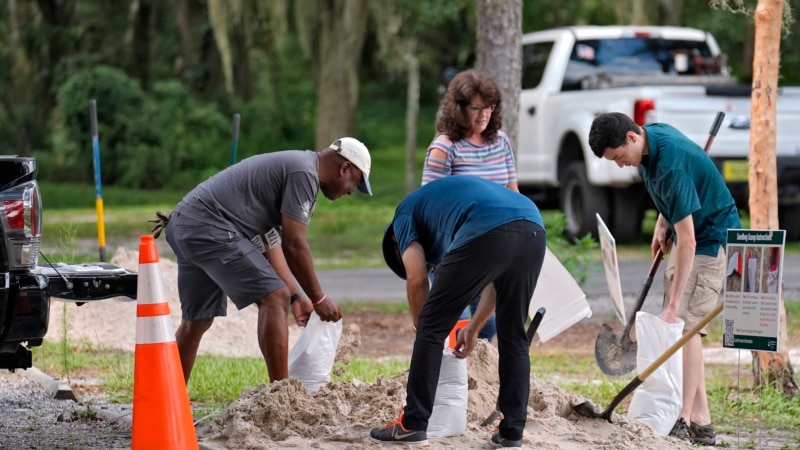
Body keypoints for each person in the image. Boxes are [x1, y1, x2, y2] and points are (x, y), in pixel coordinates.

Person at [160, 137, 372, 385]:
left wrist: (297, 296)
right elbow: (294, 244)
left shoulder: (296, 166)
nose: (350, 191)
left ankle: (165, 404)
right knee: (274, 297)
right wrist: (319, 298)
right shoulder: (304, 173)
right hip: (208, 227)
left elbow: (270, 242)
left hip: (186, 224)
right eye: (354, 183)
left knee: (197, 321)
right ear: (344, 168)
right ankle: (281, 396)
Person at [589, 112, 740, 446]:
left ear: (631, 137)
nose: (619, 165)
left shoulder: (669, 161)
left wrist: (673, 304)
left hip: (709, 238)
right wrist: (662, 221)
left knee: (685, 327)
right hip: (688, 231)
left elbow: (688, 242)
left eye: (618, 157)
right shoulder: (649, 141)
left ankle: (683, 419)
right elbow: (675, 194)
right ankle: (702, 421)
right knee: (681, 327)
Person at [370, 176, 546, 448]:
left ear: (395, 243)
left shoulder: (402, 217)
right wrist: (474, 327)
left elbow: (416, 278)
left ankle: (412, 425)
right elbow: (496, 282)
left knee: (430, 326)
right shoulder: (442, 210)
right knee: (513, 335)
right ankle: (512, 433)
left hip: (488, 227)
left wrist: (425, 332)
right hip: (533, 226)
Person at [422, 68, 519, 342]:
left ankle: (479, 382)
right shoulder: (445, 147)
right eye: (475, 108)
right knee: (457, 323)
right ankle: (452, 380)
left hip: (495, 249)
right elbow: (429, 205)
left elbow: (513, 193)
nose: (483, 116)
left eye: (489, 108)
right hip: (455, 251)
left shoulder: (501, 141)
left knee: (487, 327)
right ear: (458, 108)